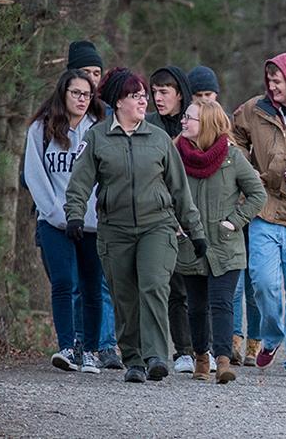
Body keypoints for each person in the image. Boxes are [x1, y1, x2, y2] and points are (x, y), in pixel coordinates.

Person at [65, 67, 206, 383]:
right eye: (136, 96)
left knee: (153, 285)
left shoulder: (158, 139)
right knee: (125, 295)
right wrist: (74, 215)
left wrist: (195, 232)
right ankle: (134, 360)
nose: (145, 101)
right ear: (118, 102)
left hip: (157, 226)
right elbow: (79, 183)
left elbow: (179, 189)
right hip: (115, 229)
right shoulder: (97, 137)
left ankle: (155, 355)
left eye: (145, 95)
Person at [232, 52, 286, 377]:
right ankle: (271, 335)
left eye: (278, 80)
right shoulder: (255, 109)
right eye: (269, 79)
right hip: (263, 209)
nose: (272, 85)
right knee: (263, 284)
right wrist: (247, 169)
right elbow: (233, 135)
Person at [174, 98, 266, 382]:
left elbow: (258, 195)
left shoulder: (232, 156)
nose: (183, 122)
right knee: (197, 306)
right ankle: (202, 359)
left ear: (207, 124)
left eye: (189, 118)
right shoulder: (175, 154)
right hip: (191, 244)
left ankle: (224, 361)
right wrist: (175, 223)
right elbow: (163, 192)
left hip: (225, 245)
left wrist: (234, 221)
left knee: (222, 303)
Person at [24, 69, 106, 374]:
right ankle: (67, 347)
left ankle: (92, 350)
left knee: (91, 286)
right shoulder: (41, 129)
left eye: (87, 94)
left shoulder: (98, 129)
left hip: (91, 221)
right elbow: (34, 175)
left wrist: (92, 213)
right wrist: (58, 214)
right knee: (63, 282)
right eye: (76, 93)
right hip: (54, 220)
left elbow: (104, 176)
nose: (82, 99)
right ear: (63, 93)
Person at [64, 40, 124, 370]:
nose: (91, 79)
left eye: (97, 72)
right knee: (73, 283)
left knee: (103, 282)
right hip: (68, 217)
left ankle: (105, 344)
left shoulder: (111, 117)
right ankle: (76, 342)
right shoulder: (54, 117)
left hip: (104, 214)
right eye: (85, 72)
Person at [148, 65, 197, 374]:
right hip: (154, 213)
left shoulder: (193, 124)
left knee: (183, 286)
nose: (158, 97)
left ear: (179, 94)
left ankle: (187, 350)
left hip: (188, 213)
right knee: (151, 285)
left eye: (164, 92)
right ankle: (149, 349)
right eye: (153, 92)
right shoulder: (148, 124)